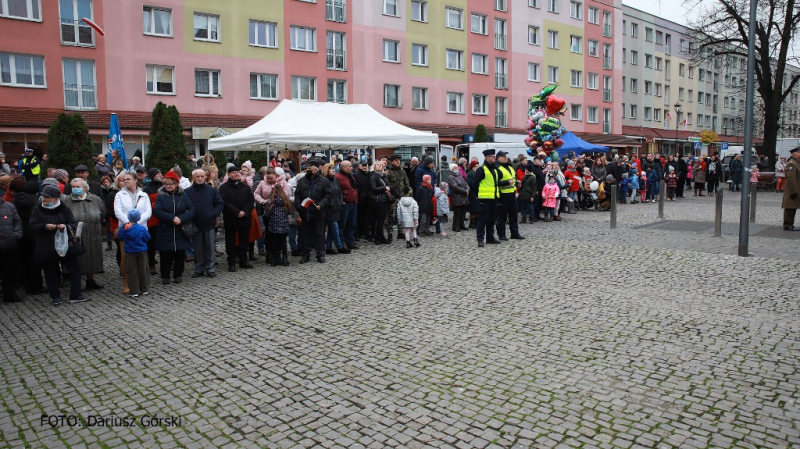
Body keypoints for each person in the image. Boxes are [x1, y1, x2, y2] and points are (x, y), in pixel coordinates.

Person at [29, 184, 90, 305]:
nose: (44, 199)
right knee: (50, 272)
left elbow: (73, 223)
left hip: (66, 244)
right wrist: (45, 226)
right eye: (43, 196)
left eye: (47, 197)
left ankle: (75, 294)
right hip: (46, 245)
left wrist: (64, 226)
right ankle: (55, 296)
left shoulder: (64, 208)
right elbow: (32, 226)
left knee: (74, 270)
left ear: (55, 198)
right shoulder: (37, 209)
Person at [153, 170, 195, 284]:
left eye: (170, 184)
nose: (168, 186)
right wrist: (171, 218)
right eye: (166, 184)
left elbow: (191, 210)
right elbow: (157, 210)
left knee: (180, 254)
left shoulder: (183, 195)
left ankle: (178, 274)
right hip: (166, 228)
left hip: (180, 229)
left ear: (176, 184)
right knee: (165, 254)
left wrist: (181, 218)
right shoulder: (161, 196)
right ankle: (165, 276)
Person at [114, 171, 152, 294]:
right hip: (126, 228)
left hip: (141, 228)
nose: (125, 181)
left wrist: (137, 223)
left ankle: (143, 284)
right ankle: (127, 282)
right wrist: (130, 223)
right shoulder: (119, 195)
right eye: (124, 180)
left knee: (141, 258)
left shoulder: (143, 195)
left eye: (128, 179)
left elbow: (148, 212)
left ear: (135, 180)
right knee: (126, 258)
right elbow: (118, 211)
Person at [64, 177, 106, 290]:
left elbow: (102, 215)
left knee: (92, 257)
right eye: (73, 187)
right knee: (76, 259)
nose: (75, 189)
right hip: (74, 236)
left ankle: (90, 279)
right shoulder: (66, 201)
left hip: (93, 234)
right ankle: (75, 283)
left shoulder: (96, 200)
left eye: (78, 187)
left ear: (85, 188)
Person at [185, 169, 224, 278]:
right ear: (193, 178)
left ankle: (210, 268)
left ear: (205, 177)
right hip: (195, 223)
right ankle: (199, 268)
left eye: (202, 176)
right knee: (197, 248)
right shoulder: (187, 192)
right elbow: (184, 206)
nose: (200, 178)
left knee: (210, 247)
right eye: (198, 176)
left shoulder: (211, 191)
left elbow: (220, 203)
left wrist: (213, 214)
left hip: (209, 222)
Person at [294, 159, 333, 263]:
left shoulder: (324, 181)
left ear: (315, 170)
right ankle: (305, 254)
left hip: (318, 212)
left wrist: (321, 204)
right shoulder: (302, 180)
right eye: (307, 168)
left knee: (319, 235)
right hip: (305, 212)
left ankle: (320, 255)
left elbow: (328, 196)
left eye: (309, 169)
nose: (307, 170)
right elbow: (297, 194)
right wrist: (298, 205)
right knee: (305, 234)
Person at [219, 165, 254, 272]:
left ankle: (243, 260)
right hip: (231, 218)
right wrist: (237, 212)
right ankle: (231, 262)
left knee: (244, 240)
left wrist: (244, 212)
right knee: (230, 241)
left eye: (237, 172)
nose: (236, 174)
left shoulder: (245, 187)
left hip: (244, 218)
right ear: (229, 174)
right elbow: (225, 202)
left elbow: (251, 201)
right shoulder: (224, 187)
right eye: (233, 172)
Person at [14, 181, 44, 295]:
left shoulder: (16, 200)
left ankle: (24, 283)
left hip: (22, 234)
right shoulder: (36, 202)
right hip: (34, 234)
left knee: (24, 260)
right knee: (35, 262)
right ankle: (35, 286)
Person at [262, 170, 294, 266]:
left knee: (274, 242)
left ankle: (275, 259)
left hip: (274, 224)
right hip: (283, 224)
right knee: (283, 242)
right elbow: (290, 211)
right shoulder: (285, 201)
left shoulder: (270, 201)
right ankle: (285, 258)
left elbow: (266, 213)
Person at [117, 209, 150, 298]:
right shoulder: (141, 228)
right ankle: (145, 289)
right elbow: (147, 237)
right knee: (143, 269)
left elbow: (120, 237)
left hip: (130, 251)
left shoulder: (123, 228)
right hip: (141, 251)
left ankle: (134, 291)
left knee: (132, 271)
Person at [494, 151, 524, 240]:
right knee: (502, 216)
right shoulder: (497, 168)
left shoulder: (510, 167)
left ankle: (514, 233)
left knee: (514, 215)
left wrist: (516, 182)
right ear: (498, 158)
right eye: (503, 156)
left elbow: (512, 179)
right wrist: (507, 182)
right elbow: (495, 182)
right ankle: (501, 235)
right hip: (503, 195)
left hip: (512, 194)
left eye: (506, 156)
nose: (505, 157)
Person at [474, 149, 501, 247]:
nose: (494, 158)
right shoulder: (482, 169)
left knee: (492, 219)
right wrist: (477, 195)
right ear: (487, 157)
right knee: (482, 220)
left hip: (494, 198)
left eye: (494, 157)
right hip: (484, 198)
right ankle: (480, 239)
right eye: (493, 157)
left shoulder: (494, 169)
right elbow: (475, 183)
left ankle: (490, 237)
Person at [0, 192, 22, 302]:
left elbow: (17, 222)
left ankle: (9, 295)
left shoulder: (9, 206)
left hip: (9, 245)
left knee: (9, 272)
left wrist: (16, 235)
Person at [322, 163, 349, 255]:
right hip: (328, 208)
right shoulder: (324, 181)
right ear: (327, 170)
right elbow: (325, 195)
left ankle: (328, 246)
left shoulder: (335, 180)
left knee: (331, 229)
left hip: (337, 207)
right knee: (335, 227)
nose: (334, 170)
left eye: (334, 168)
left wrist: (340, 202)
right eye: (332, 169)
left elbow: (339, 192)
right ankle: (339, 246)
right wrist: (330, 204)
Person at [142, 168, 162, 274]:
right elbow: (147, 204)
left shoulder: (164, 186)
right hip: (153, 220)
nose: (160, 175)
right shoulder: (147, 189)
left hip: (164, 219)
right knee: (151, 245)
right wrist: (159, 206)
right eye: (157, 173)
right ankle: (151, 264)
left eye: (160, 173)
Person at [335, 161, 359, 250]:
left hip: (353, 202)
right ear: (344, 167)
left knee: (352, 224)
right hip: (345, 204)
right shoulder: (338, 177)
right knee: (342, 224)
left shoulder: (350, 176)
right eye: (350, 166)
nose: (351, 168)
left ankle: (350, 241)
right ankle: (340, 243)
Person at [385, 155, 410, 242]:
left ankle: (400, 232)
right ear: (391, 162)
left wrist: (407, 190)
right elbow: (386, 184)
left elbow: (406, 182)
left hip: (401, 196)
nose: (398, 162)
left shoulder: (402, 171)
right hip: (392, 196)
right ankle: (390, 233)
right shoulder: (388, 172)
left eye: (399, 160)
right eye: (396, 160)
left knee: (401, 214)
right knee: (391, 215)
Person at [369, 161, 392, 244]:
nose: (379, 166)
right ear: (374, 166)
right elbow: (374, 188)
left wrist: (387, 188)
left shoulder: (384, 176)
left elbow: (389, 185)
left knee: (382, 219)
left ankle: (381, 236)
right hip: (379, 200)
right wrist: (384, 188)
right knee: (379, 220)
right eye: (377, 164)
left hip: (385, 199)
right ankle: (378, 237)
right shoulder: (373, 176)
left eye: (381, 165)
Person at [353, 161, 373, 241]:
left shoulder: (368, 174)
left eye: (366, 166)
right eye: (363, 165)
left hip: (367, 199)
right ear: (359, 166)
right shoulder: (356, 175)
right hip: (360, 199)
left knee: (366, 216)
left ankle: (364, 231)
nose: (365, 167)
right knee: (359, 217)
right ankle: (359, 232)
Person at [447, 163, 469, 232]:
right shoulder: (451, 177)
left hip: (464, 197)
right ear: (452, 169)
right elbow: (455, 187)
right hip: (457, 197)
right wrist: (464, 191)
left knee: (463, 212)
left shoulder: (459, 176)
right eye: (455, 168)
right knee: (457, 213)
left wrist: (467, 189)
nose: (456, 169)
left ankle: (461, 224)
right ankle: (455, 226)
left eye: (457, 168)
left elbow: (466, 184)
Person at [782, 147, 800, 231]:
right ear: (795, 154)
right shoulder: (792, 164)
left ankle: (790, 224)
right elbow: (791, 179)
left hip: (795, 189)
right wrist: (794, 191)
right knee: (790, 207)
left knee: (793, 207)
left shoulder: (796, 163)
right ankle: (788, 225)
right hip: (792, 190)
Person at [466, 160, 480, 228]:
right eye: (475, 166)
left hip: (478, 192)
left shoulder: (477, 173)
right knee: (473, 209)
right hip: (473, 193)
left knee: (477, 209)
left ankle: (476, 222)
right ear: (472, 167)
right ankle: (471, 223)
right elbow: (470, 183)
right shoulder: (470, 174)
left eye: (477, 166)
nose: (477, 167)